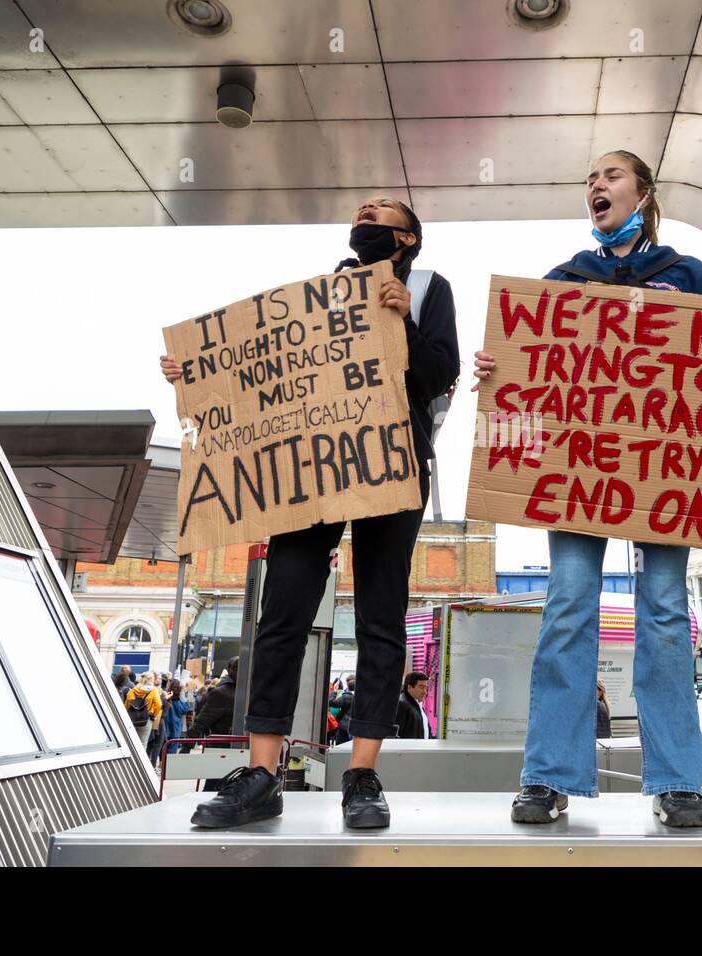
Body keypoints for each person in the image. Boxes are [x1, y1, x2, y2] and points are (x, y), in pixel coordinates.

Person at [472, 149, 702, 828]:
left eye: (611, 176)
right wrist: (497, 370)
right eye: (589, 178)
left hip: (667, 480)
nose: (597, 185)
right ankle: (547, 776)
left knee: (664, 613)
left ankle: (677, 782)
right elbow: (536, 375)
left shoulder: (688, 276)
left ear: (644, 194)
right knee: (568, 607)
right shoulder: (562, 282)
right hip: (582, 476)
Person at [162, 203, 458, 829]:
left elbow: (439, 374)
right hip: (313, 474)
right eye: (360, 212)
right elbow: (262, 379)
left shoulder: (430, 289)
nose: (362, 216)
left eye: (377, 213)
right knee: (282, 613)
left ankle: (362, 774)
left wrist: (403, 318)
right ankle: (262, 775)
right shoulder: (321, 294)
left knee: (383, 618)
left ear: (406, 237)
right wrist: (197, 377)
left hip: (391, 463)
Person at [182, 658, 239, 792]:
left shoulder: (249, 691)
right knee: (213, 787)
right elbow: (201, 722)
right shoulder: (221, 693)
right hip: (221, 749)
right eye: (235, 667)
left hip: (241, 749)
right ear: (229, 670)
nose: (239, 670)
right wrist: (187, 746)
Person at [124, 673, 162, 751]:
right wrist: (154, 714)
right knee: (143, 743)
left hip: (132, 718)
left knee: (131, 742)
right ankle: (139, 762)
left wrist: (128, 712)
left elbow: (127, 703)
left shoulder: (134, 690)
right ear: (151, 680)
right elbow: (158, 704)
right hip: (146, 718)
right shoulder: (153, 691)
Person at [394, 672, 433, 739]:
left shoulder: (417, 704)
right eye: (421, 687)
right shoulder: (401, 704)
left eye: (426, 688)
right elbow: (395, 736)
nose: (425, 692)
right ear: (409, 687)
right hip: (409, 749)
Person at [163, 678, 191, 757]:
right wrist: (185, 698)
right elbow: (185, 710)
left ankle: (162, 763)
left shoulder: (166, 697)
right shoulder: (178, 701)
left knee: (164, 746)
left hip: (165, 725)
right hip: (175, 726)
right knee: (172, 747)